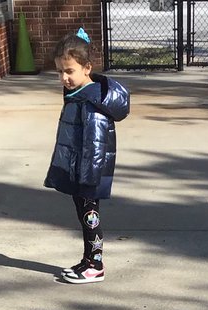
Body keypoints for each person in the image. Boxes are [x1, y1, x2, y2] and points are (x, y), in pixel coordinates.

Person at [44, 29, 129, 285]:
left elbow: (94, 144)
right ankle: (88, 259)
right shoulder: (78, 95)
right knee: (84, 217)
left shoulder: (91, 101)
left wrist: (87, 178)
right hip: (79, 168)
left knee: (91, 218)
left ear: (87, 68)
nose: (64, 77)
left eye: (69, 71)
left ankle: (96, 265)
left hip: (88, 173)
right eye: (60, 71)